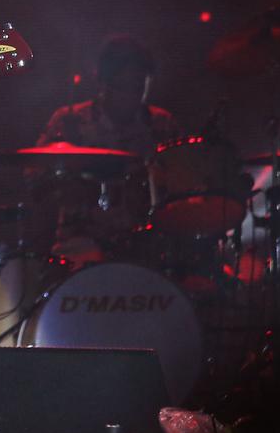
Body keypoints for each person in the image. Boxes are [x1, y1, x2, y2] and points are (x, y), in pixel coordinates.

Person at [35, 34, 179, 264]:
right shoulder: (70, 121)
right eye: (123, 87)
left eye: (139, 87)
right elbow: (36, 177)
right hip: (80, 244)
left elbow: (178, 185)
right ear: (102, 83)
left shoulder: (161, 124)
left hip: (147, 245)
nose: (132, 96)